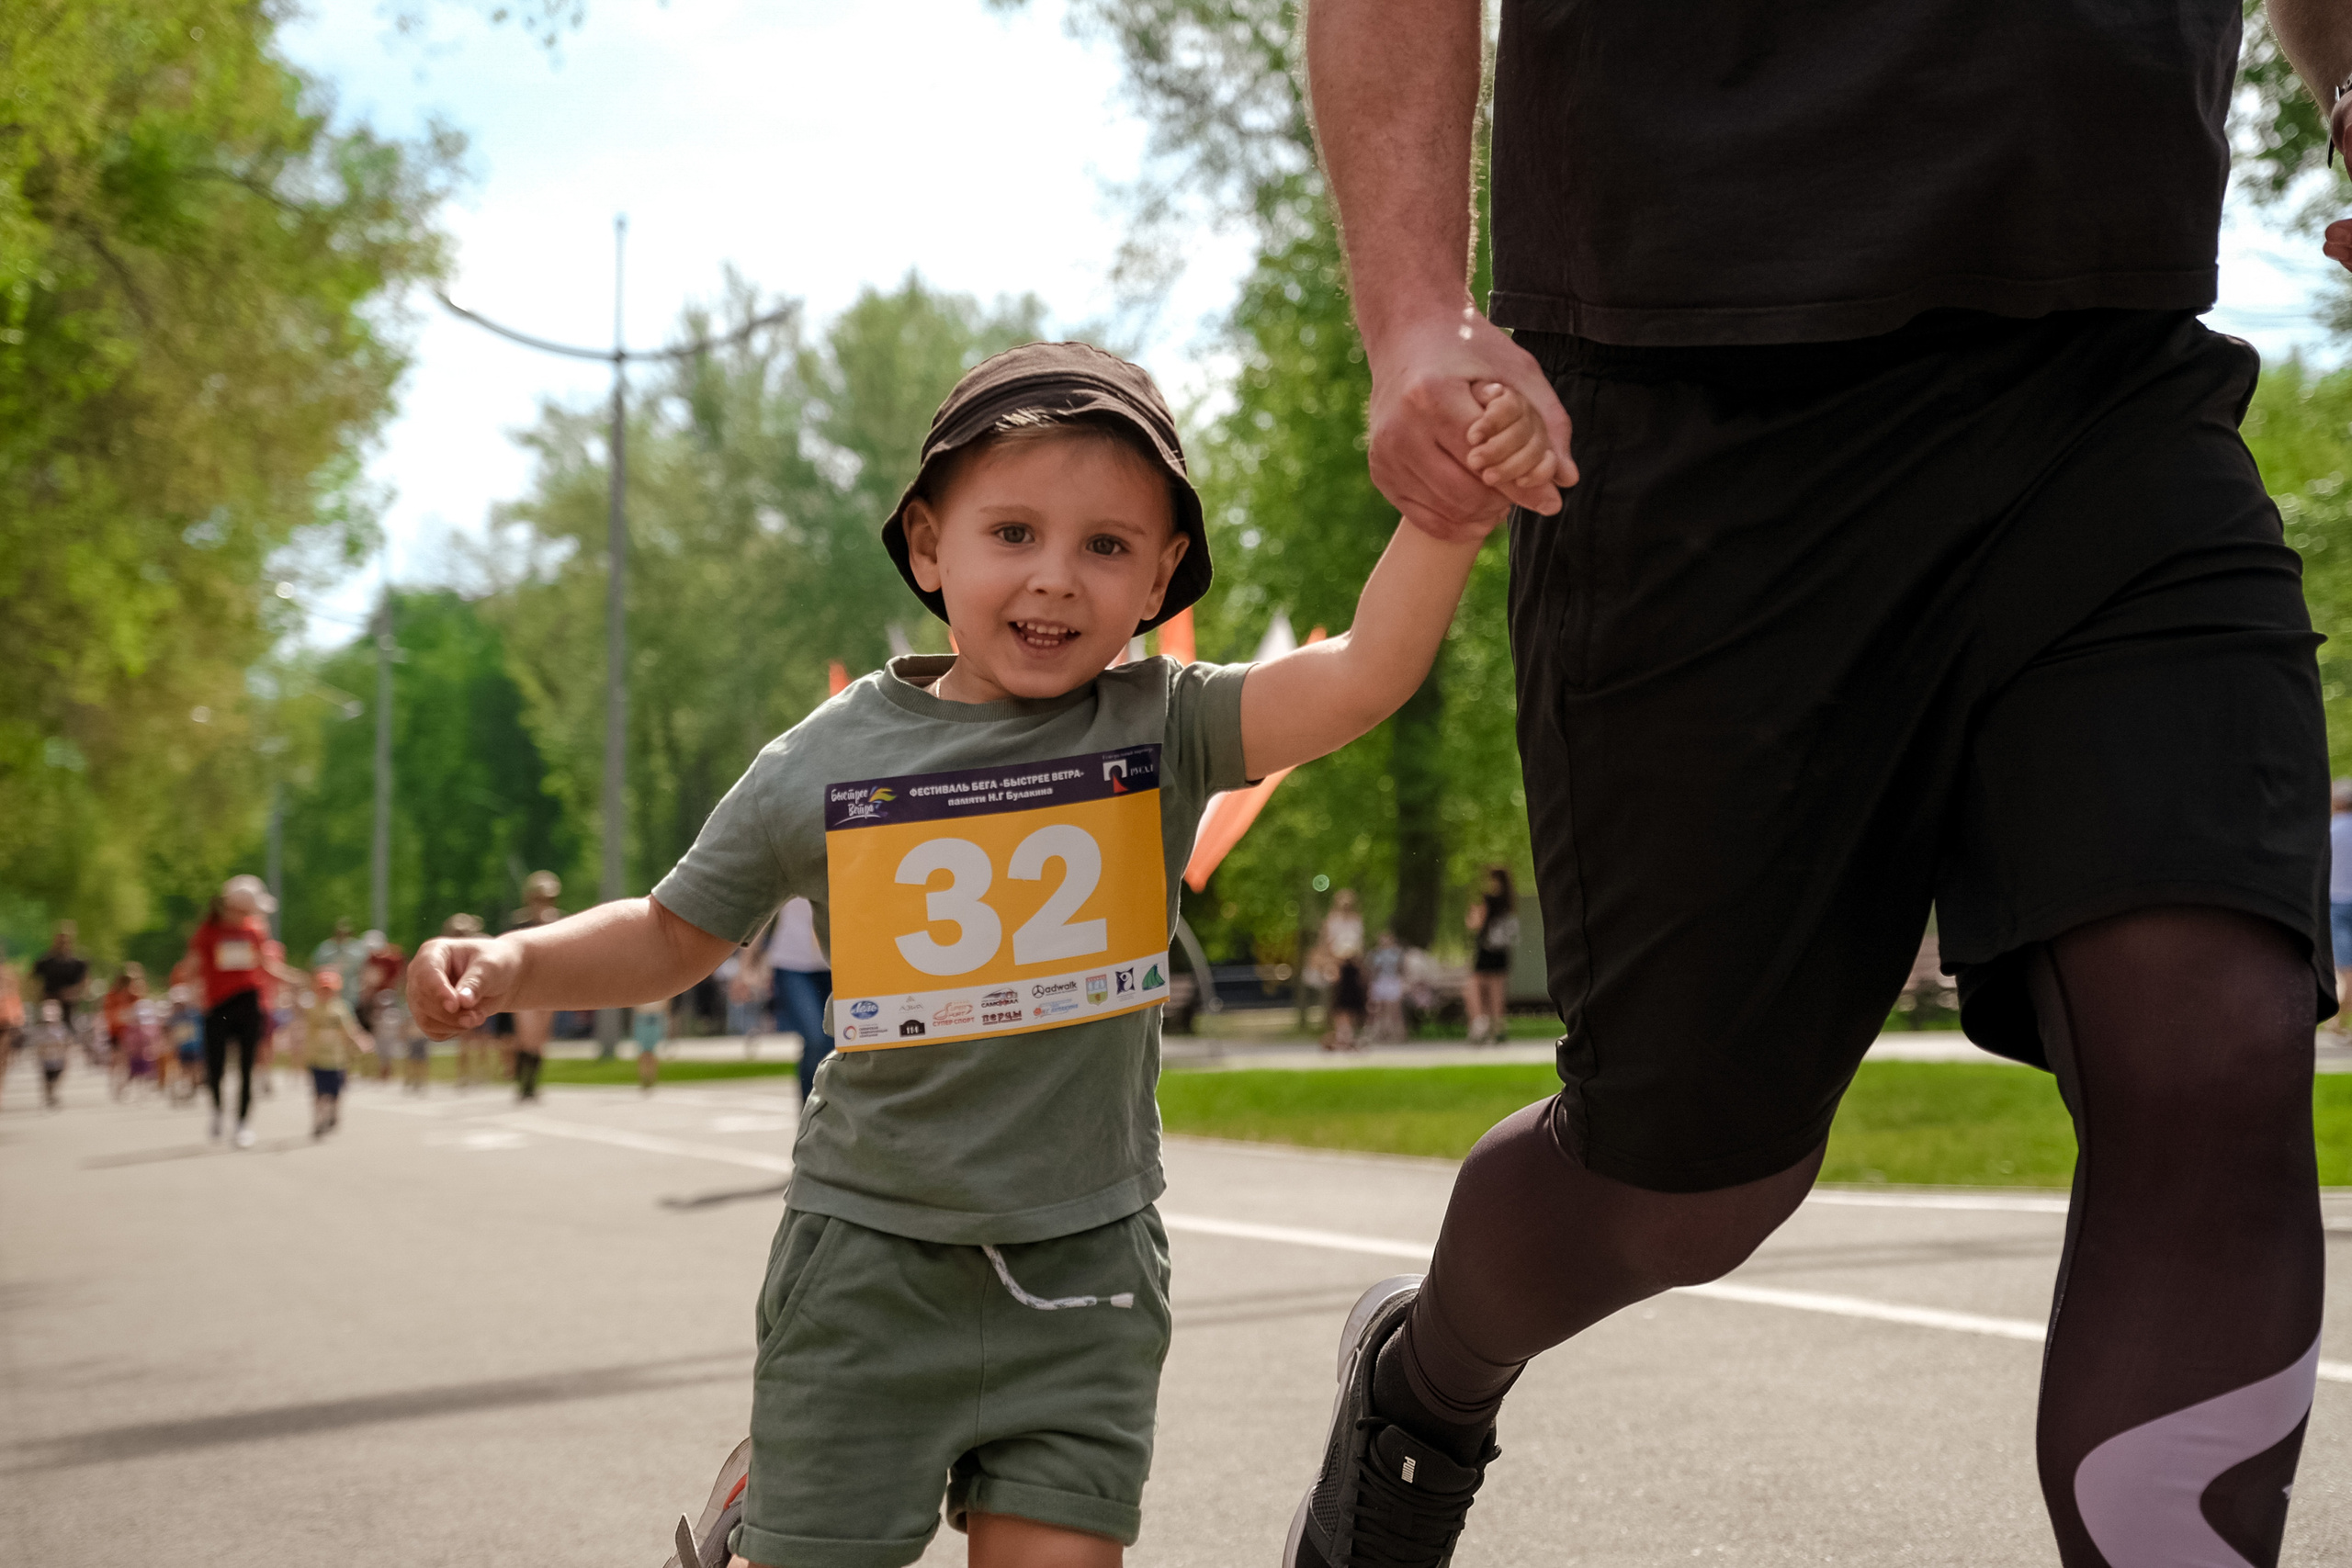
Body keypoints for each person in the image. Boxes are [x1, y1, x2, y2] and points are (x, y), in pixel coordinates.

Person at [1284, 5, 2345, 1566]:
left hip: (2109, 370)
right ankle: (1423, 1380)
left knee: (2217, 1036)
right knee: (1686, 1185)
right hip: (1689, 382)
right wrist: (1411, 311)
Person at [408, 340, 1545, 1568]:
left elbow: (1363, 674)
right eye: (1012, 532)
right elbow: (672, 930)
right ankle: (769, 1503)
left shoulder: (1165, 723)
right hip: (867, 1264)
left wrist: (1447, 514)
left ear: (1160, 574)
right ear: (927, 544)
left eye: (1106, 545)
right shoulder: (823, 758)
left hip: (1088, 1264)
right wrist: (514, 964)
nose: (1054, 576)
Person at [172, 875, 294, 1146]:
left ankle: (242, 1123)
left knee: (247, 1066)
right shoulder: (207, 933)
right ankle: (217, 1110)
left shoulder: (254, 931)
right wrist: (189, 990)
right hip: (217, 1006)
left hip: (249, 1002)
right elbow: (191, 967)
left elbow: (266, 966)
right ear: (234, 907)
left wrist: (294, 979)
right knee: (215, 1066)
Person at [503, 873, 564, 1101]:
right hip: (524, 985)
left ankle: (532, 1083)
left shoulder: (560, 922)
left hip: (549, 984)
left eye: (549, 899)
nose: (544, 903)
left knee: (540, 1037)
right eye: (539, 898)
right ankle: (523, 1081)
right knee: (526, 1036)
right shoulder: (520, 923)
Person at [764, 896, 831, 1100]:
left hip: (833, 963)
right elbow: (764, 913)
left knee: (834, 1043)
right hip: (793, 963)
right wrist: (747, 965)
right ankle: (809, 1105)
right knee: (815, 1038)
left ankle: (829, 1105)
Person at [293, 967, 369, 1136]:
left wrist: (359, 1041)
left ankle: (333, 1112)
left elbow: (350, 1029)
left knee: (335, 1092)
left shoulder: (340, 1009)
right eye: (323, 989)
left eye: (329, 990)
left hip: (336, 1059)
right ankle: (319, 1120)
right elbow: (300, 1022)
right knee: (319, 1092)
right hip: (316, 1058)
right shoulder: (312, 1008)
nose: (326, 994)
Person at [1463, 867, 1519, 1046]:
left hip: (1485, 951)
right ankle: (1498, 1030)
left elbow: (1475, 924)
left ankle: (1480, 1023)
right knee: (1497, 993)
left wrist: (1472, 913)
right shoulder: (1508, 901)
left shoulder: (1487, 899)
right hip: (1501, 952)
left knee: (1474, 987)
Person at [1318, 889, 1369, 1051]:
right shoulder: (1332, 921)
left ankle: (1349, 1034)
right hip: (1338, 964)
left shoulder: (1356, 920)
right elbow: (1326, 944)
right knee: (1339, 1002)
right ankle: (1341, 1034)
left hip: (1353, 964)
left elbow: (1360, 943)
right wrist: (1330, 964)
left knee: (1353, 1002)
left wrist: (1361, 965)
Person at [31, 921, 89, 1044]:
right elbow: (33, 980)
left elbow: (85, 982)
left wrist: (73, 992)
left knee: (70, 1031)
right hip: (49, 1002)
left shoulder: (78, 963)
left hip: (69, 1004)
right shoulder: (45, 961)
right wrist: (39, 997)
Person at [2331, 779, 2352, 1038]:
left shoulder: (2330, 831)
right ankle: (2339, 1021)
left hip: (2337, 903)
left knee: (2345, 966)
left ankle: (2338, 1020)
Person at [1366, 930, 1408, 1044]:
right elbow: (1372, 969)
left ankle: (1397, 1034)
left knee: (1393, 1009)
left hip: (1392, 980)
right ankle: (1380, 1033)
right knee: (1379, 1009)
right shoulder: (1376, 953)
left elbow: (1401, 968)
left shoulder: (1397, 953)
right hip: (1379, 981)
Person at [311, 919, 370, 998]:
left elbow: (366, 969)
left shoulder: (359, 949)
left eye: (346, 934)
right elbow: (314, 967)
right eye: (340, 933)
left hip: (352, 989)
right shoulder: (325, 949)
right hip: (329, 989)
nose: (343, 936)